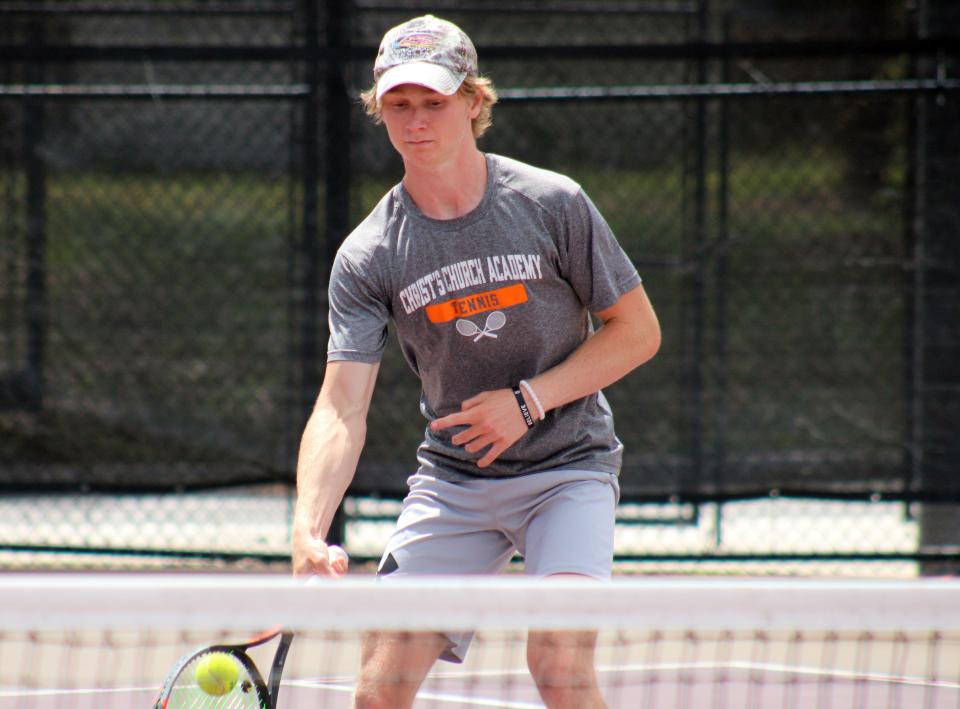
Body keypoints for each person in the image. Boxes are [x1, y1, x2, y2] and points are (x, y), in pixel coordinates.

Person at [291, 14, 661, 709]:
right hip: (456, 479)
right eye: (399, 104)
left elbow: (636, 331)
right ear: (379, 110)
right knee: (378, 688)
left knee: (557, 664)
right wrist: (309, 526)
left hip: (568, 467)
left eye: (433, 102)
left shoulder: (553, 204)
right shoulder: (369, 254)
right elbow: (341, 406)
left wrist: (529, 400)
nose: (417, 120)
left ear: (472, 101)